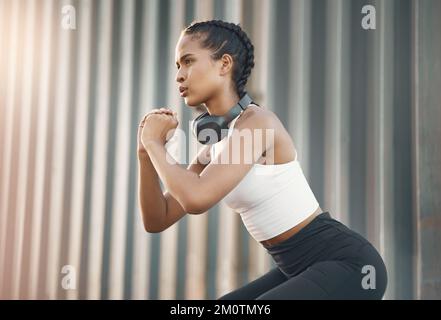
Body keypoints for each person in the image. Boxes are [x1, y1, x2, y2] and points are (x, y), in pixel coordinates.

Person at [137, 20, 387, 300]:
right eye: (177, 66)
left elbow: (196, 198)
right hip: (295, 266)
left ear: (224, 64)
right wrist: (146, 154)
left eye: (188, 61)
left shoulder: (258, 123)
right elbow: (157, 218)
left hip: (346, 264)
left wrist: (153, 142)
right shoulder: (217, 145)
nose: (179, 76)